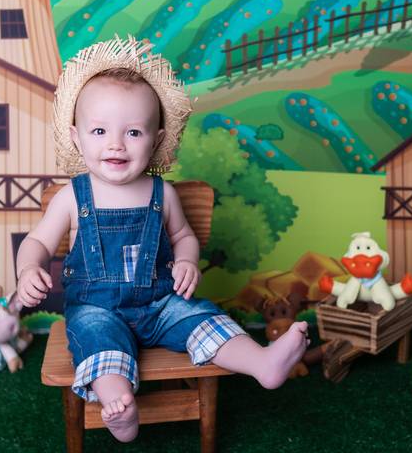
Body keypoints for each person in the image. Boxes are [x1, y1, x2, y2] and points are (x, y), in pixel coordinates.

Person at [16, 36, 308, 442]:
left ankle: (262, 362)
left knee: (200, 317)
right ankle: (119, 405)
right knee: (99, 341)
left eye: (133, 132)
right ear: (77, 137)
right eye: (99, 130)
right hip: (97, 308)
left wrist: (187, 260)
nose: (116, 144)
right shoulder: (72, 197)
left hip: (159, 303)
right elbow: (37, 242)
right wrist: (28, 268)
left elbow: (184, 235)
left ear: (155, 139)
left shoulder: (163, 193)